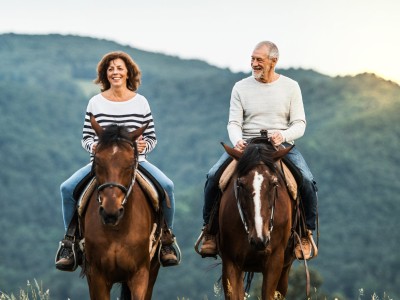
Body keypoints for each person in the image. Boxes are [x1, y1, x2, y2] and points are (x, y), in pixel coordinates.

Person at [55, 51, 179, 270]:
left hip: (136, 162)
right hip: (102, 163)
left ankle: (167, 239)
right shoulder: (95, 102)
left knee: (167, 186)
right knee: (67, 188)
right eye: (110, 69)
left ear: (128, 72)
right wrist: (93, 146)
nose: (115, 72)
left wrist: (143, 146)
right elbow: (86, 137)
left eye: (119, 68)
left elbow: (151, 137)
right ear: (105, 74)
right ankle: (70, 241)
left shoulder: (141, 102)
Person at [199, 41, 318, 260]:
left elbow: (299, 123)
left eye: (259, 60)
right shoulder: (240, 87)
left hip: (277, 146)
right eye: (252, 59)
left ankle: (304, 233)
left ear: (274, 61)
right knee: (213, 176)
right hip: (247, 145)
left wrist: (283, 135)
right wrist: (237, 140)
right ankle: (210, 232)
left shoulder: (291, 87)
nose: (254, 64)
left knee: (307, 180)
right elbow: (233, 123)